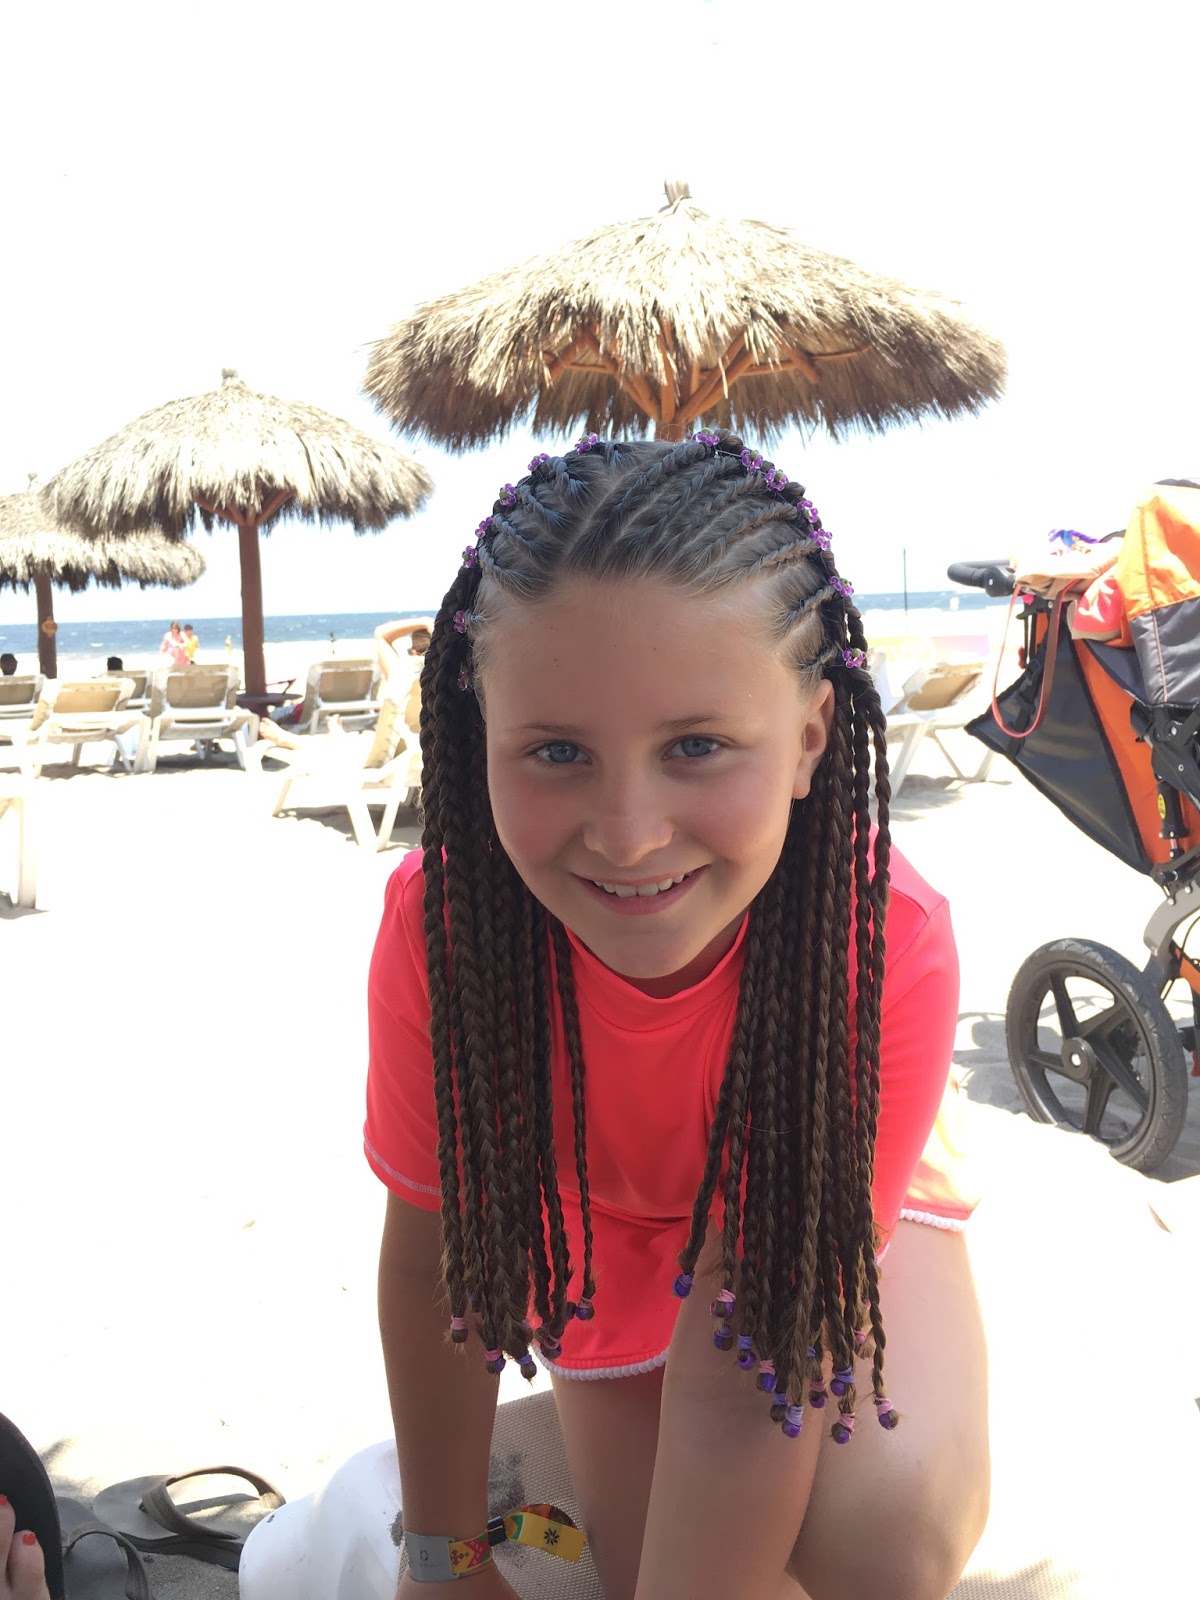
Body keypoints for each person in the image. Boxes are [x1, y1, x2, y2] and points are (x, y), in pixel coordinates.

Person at [363, 432, 988, 1600]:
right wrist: (443, 1559)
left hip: (811, 1228)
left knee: (883, 1546)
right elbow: (436, 1259)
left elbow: (757, 1342)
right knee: (641, 1560)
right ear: (480, 735)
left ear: (809, 738)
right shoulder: (446, 932)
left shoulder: (877, 940)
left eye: (696, 746)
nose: (629, 832)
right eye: (557, 751)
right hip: (602, 1226)